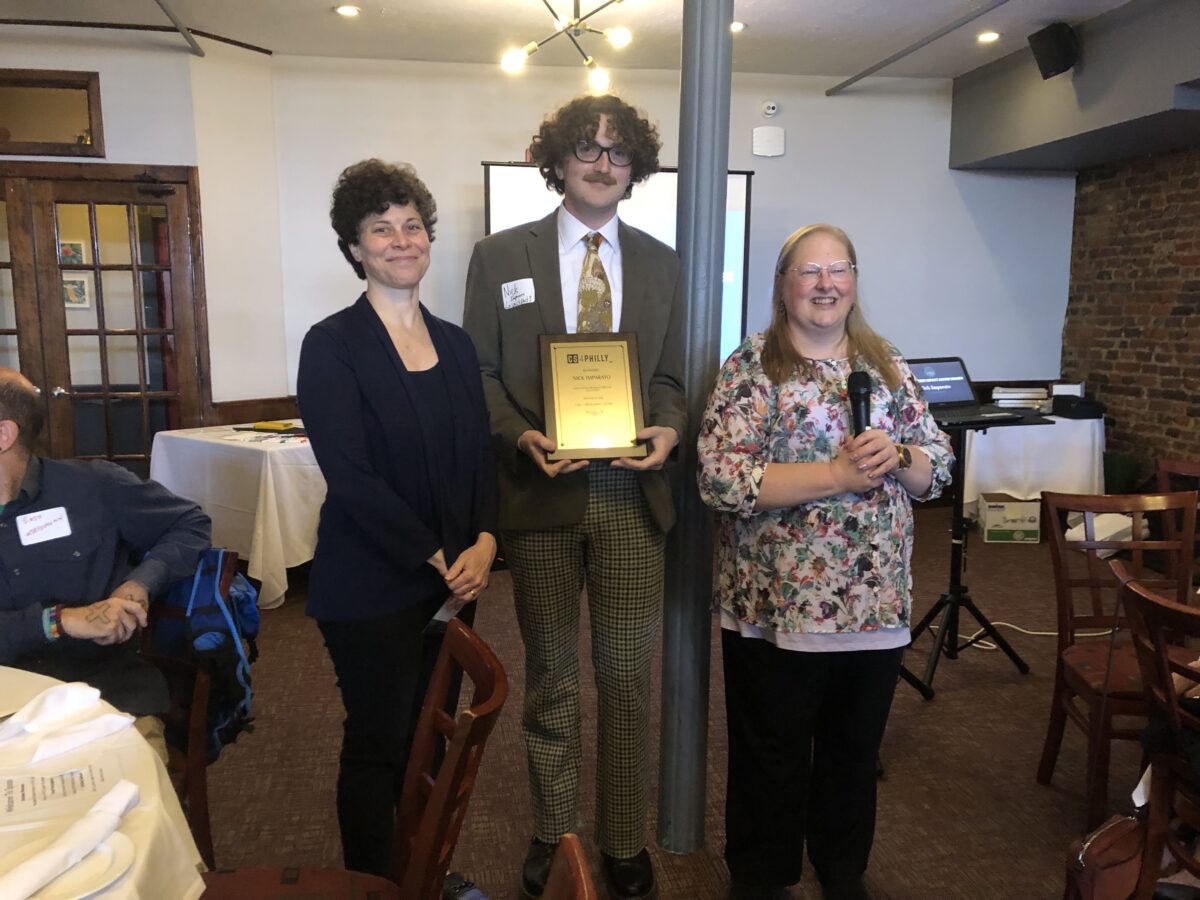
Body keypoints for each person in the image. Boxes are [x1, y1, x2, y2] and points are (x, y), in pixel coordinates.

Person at [462, 94, 685, 900]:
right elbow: (479, 375)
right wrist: (521, 435)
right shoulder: (499, 257)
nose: (601, 163)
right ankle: (552, 828)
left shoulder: (662, 262)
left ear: (635, 169)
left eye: (618, 153)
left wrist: (667, 428)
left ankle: (623, 839)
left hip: (632, 496)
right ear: (556, 161)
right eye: (586, 149)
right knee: (553, 674)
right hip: (540, 494)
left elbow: (669, 379)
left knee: (627, 677)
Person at [697, 224, 954, 900]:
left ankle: (842, 868)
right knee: (771, 753)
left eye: (838, 270)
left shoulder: (886, 363)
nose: (825, 284)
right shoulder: (754, 364)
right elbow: (722, 479)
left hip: (874, 605)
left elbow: (939, 465)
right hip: (778, 606)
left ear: (855, 282)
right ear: (783, 287)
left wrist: (900, 459)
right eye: (809, 272)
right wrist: (837, 474)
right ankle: (761, 875)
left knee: (851, 750)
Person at [297, 159, 498, 878]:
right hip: (370, 584)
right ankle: (373, 883)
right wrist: (435, 554)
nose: (400, 239)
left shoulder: (456, 342)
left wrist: (484, 539)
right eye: (381, 229)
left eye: (412, 225)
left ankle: (425, 873)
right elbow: (349, 475)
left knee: (433, 741)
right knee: (381, 742)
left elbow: (479, 455)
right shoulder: (332, 345)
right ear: (355, 248)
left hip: (454, 580)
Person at [0, 368, 211, 760]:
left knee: (133, 804)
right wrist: (59, 621)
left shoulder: (93, 487)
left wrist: (136, 586)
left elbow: (189, 524)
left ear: (4, 436)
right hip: (7, 705)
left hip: (104, 693)